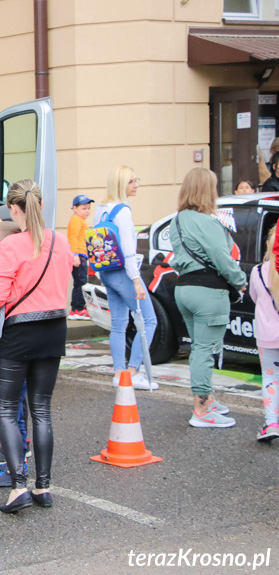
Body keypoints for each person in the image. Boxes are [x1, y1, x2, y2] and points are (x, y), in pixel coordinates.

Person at [0, 179, 72, 514]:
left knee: (6, 408)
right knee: (42, 409)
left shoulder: (10, 246)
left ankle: (18, 486)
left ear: (14, 209)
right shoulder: (60, 241)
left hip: (19, 331)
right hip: (54, 328)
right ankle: (44, 486)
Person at [169, 167, 247, 428]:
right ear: (207, 190)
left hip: (184, 289)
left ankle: (207, 399)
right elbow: (223, 259)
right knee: (205, 349)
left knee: (198, 348)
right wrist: (240, 281)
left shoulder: (177, 220)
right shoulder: (209, 222)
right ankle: (201, 409)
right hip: (208, 291)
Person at [94, 166, 159, 391]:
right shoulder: (122, 211)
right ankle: (133, 371)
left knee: (119, 324)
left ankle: (119, 372)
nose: (136, 185)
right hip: (123, 273)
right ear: (122, 185)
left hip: (107, 271)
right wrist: (136, 281)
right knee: (149, 320)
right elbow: (129, 250)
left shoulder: (101, 207)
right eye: (132, 181)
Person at [0, 221, 32, 488]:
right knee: (17, 406)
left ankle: (14, 467)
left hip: (11, 350)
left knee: (10, 410)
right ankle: (17, 451)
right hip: (22, 349)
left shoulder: (5, 274)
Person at [251, 226, 279, 442]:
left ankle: (271, 423)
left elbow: (254, 297)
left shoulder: (257, 271)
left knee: (270, 377)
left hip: (266, 335)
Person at [67, 194, 94, 320]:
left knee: (81, 282)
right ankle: (77, 309)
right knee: (80, 283)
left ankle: (79, 308)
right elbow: (73, 237)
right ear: (75, 208)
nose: (87, 211)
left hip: (82, 255)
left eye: (88, 208)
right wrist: (75, 255)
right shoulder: (76, 220)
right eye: (84, 208)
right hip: (79, 256)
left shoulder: (80, 220)